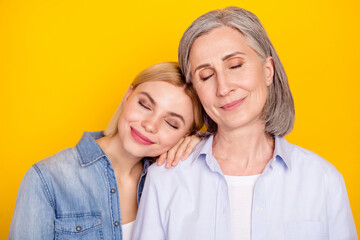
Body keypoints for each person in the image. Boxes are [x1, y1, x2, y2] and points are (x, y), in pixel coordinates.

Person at [132, 7, 357, 240]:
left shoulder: (323, 180)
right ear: (196, 91)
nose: (223, 88)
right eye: (206, 76)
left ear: (267, 71)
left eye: (235, 65)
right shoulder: (166, 179)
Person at [9, 62, 204, 239]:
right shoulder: (47, 179)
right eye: (144, 105)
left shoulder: (174, 181)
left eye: (171, 123)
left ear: (186, 135)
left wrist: (203, 141)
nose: (150, 125)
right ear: (128, 96)